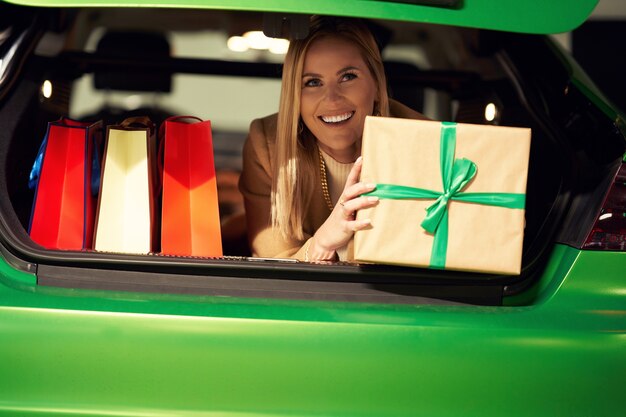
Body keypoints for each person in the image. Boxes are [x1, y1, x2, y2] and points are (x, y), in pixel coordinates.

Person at [239, 16, 427, 261]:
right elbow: (273, 263)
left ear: (376, 82)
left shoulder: (423, 140)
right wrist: (322, 243)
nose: (332, 99)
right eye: (313, 82)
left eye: (348, 77)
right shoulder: (266, 146)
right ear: (294, 95)